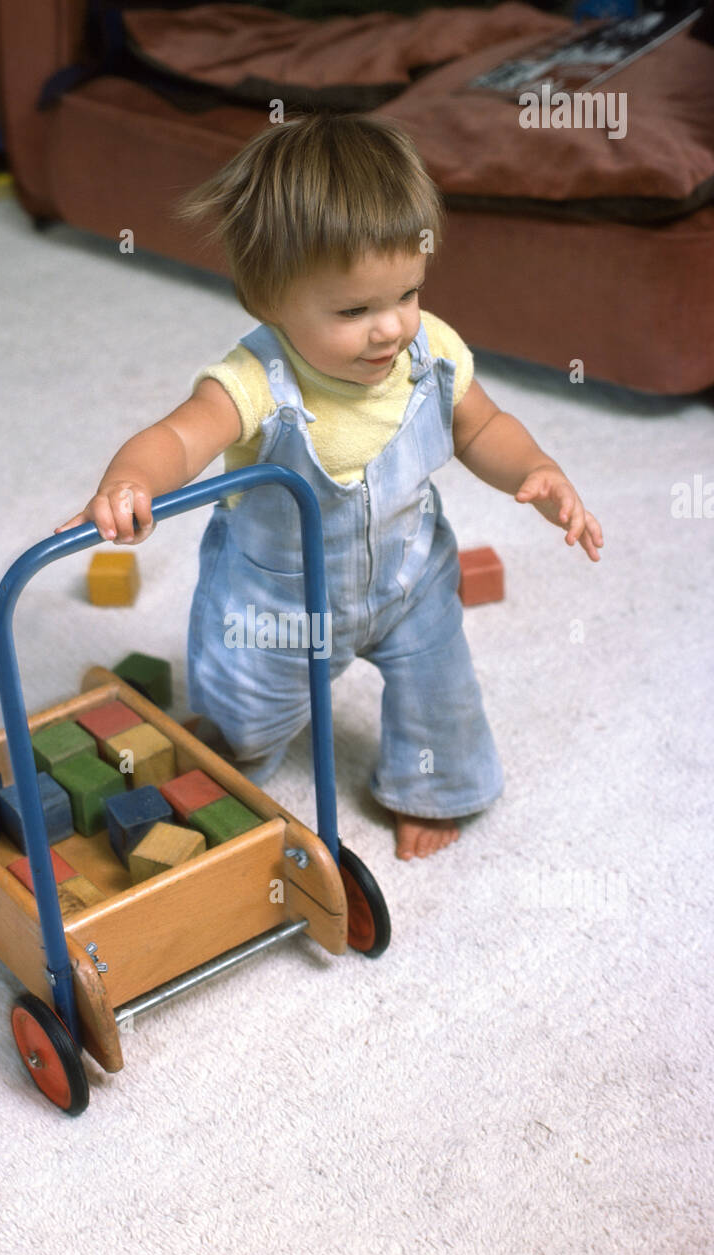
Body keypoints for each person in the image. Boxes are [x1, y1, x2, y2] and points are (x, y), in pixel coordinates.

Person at [57, 111, 603, 861]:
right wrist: (130, 481)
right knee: (240, 731)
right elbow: (177, 439)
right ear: (268, 300)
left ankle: (430, 787)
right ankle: (230, 747)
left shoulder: (431, 353)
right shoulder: (256, 380)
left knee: (442, 695)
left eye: (406, 294)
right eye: (355, 311)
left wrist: (536, 469)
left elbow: (481, 427)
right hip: (277, 605)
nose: (391, 329)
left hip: (410, 580)